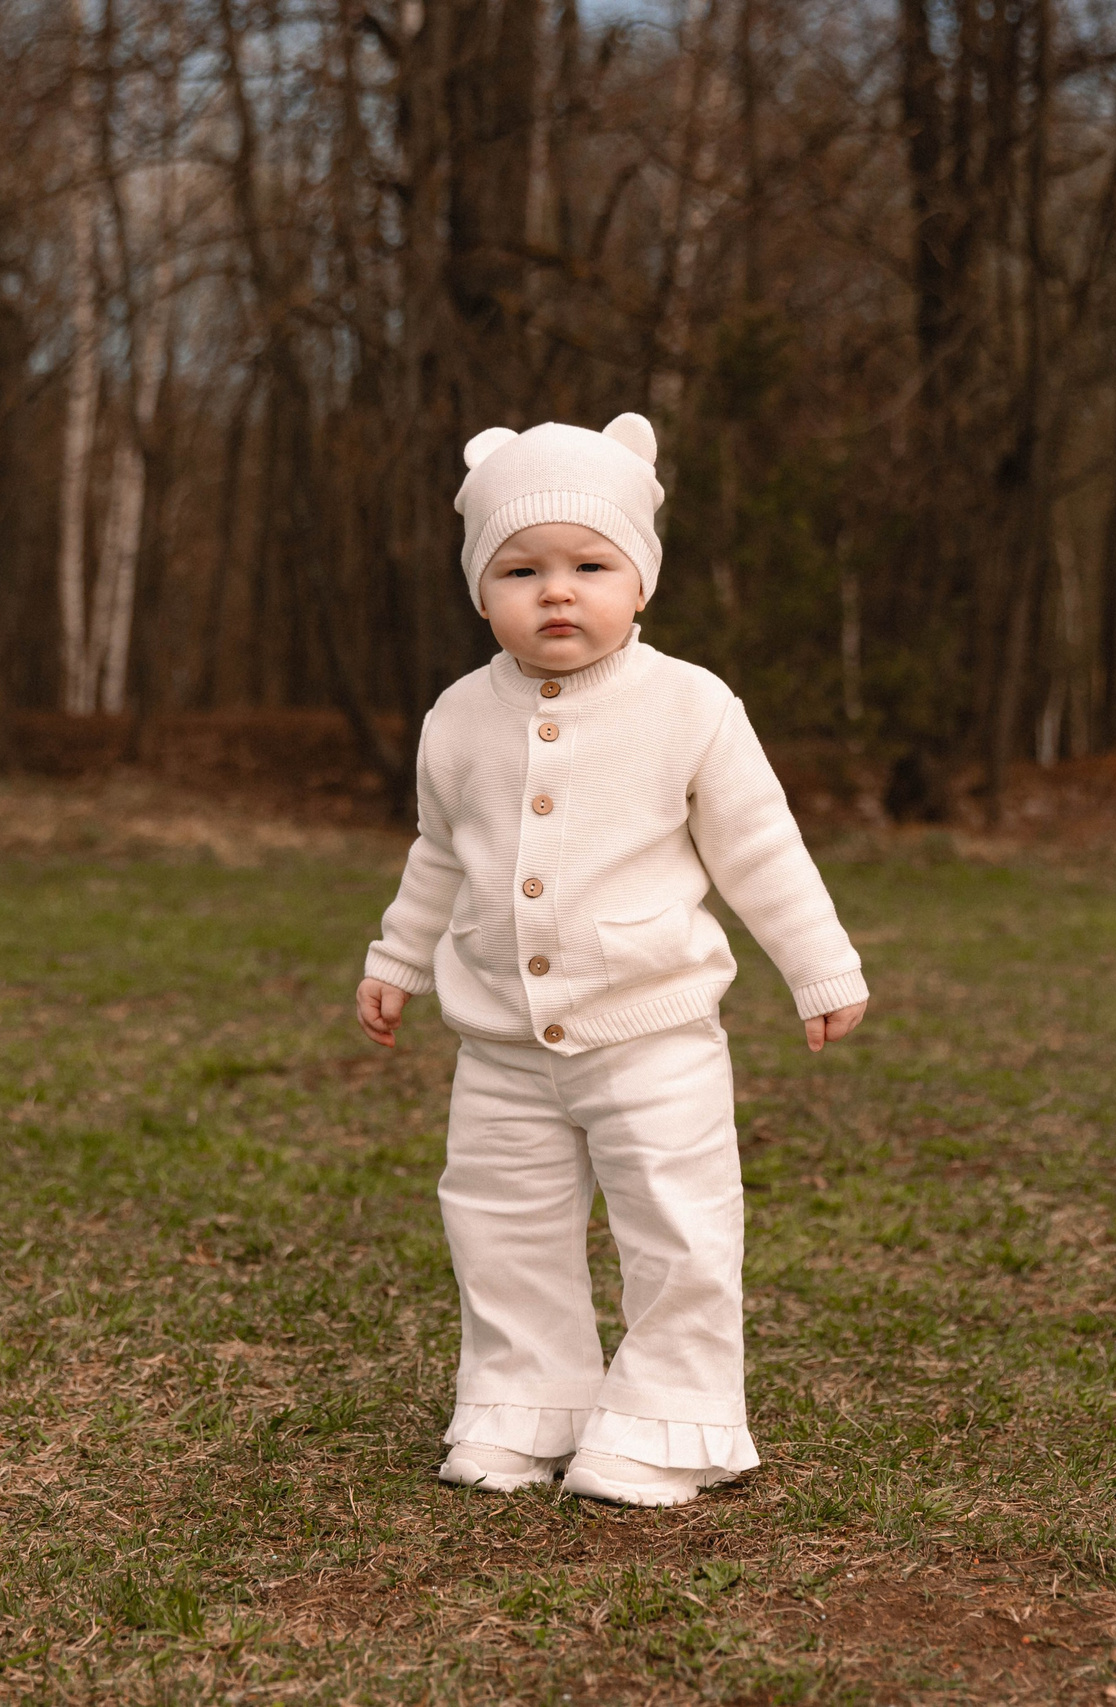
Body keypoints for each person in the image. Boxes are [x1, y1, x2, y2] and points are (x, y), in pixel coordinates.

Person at [354, 412, 869, 1508]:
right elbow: (439, 853)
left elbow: (761, 848)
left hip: (654, 1032)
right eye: (520, 568)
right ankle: (522, 1406)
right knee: (500, 1229)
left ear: (640, 580)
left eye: (590, 565)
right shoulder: (456, 717)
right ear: (478, 589)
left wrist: (821, 968)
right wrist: (395, 958)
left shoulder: (689, 705)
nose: (555, 591)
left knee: (678, 1228)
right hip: (497, 1044)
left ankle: (671, 1424)